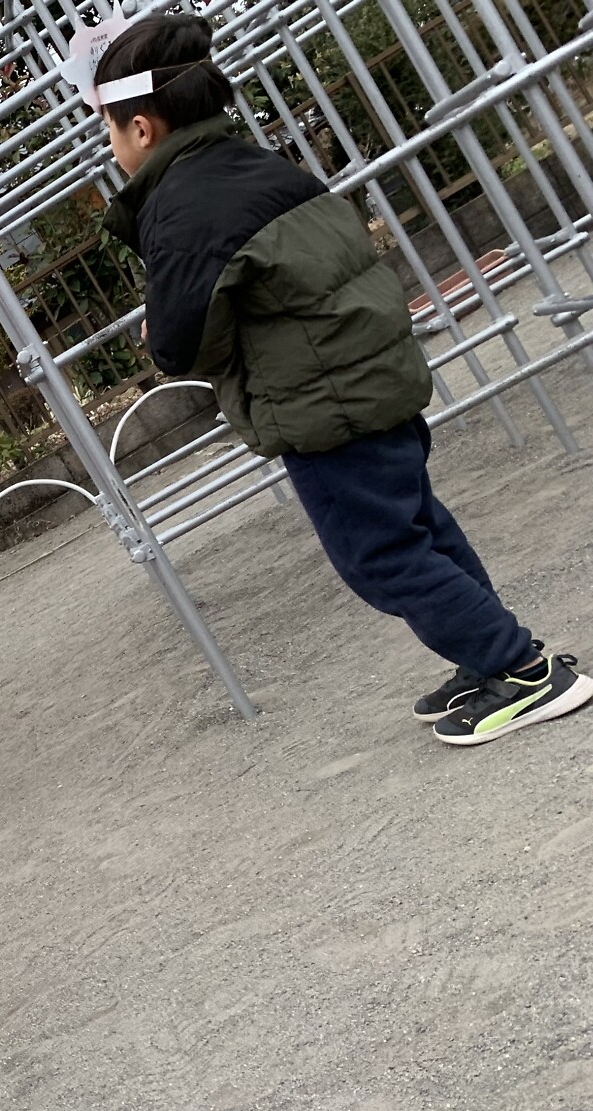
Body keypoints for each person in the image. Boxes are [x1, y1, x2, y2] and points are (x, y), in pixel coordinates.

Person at [95, 13, 591, 745]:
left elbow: (182, 344)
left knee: (381, 556)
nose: (111, 146)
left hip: (324, 406)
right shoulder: (260, 167)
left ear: (142, 129)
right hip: (371, 378)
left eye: (108, 129)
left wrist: (156, 329)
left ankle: (521, 671)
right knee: (420, 529)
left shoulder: (184, 206)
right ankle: (489, 656)